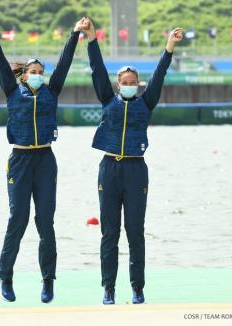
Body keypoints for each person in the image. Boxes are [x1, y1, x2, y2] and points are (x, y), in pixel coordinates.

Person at [0, 9, 87, 303]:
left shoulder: (51, 92)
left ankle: (48, 280)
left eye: (41, 73)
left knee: (45, 222)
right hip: (20, 160)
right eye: (33, 73)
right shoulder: (13, 92)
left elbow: (64, 62)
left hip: (46, 161)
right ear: (24, 76)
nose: (38, 76)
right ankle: (5, 276)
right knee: (18, 219)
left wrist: (76, 33)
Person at [81, 18, 183, 305]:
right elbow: (97, 69)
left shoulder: (145, 102)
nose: (128, 85)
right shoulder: (107, 99)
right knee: (109, 232)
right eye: (124, 83)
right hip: (109, 168)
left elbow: (160, 74)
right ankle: (108, 288)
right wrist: (91, 39)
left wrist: (169, 47)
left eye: (132, 82)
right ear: (117, 85)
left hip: (136, 170)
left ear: (137, 85)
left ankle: (137, 287)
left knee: (135, 232)